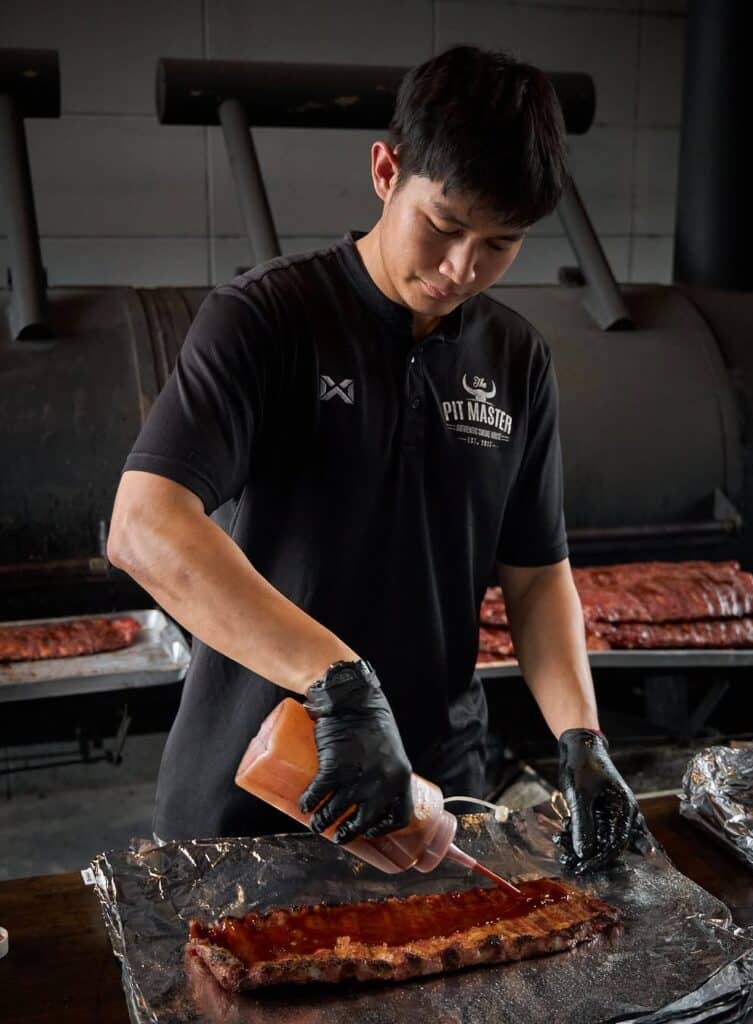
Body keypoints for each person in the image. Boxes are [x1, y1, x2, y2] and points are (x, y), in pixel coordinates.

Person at [108, 45, 646, 871]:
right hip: (251, 790)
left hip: (432, 796)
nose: (463, 268)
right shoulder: (265, 319)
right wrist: (339, 682)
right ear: (386, 171)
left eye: (500, 243)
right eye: (444, 226)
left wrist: (581, 736)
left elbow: (537, 578)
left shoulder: (516, 359)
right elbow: (144, 527)